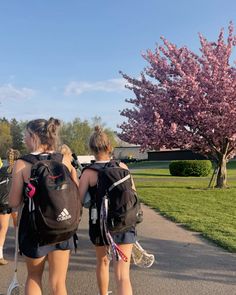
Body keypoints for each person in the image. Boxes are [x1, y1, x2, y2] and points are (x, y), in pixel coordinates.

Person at [8, 118, 79, 295]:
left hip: (35, 229)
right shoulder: (64, 160)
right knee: (58, 282)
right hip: (63, 228)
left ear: (33, 137)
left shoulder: (22, 164)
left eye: (25, 135)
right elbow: (75, 191)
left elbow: (14, 202)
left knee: (33, 278)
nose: (24, 139)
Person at [79, 126, 136, 295]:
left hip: (101, 225)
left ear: (91, 149)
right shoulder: (123, 166)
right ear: (110, 147)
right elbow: (133, 193)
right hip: (125, 221)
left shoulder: (89, 173)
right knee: (123, 275)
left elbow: (80, 200)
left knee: (102, 262)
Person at [0, 148, 20, 265]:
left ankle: (0, 254)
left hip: (2, 202)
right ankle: (19, 247)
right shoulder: (19, 170)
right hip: (16, 201)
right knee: (18, 225)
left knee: (2, 228)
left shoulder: (1, 170)